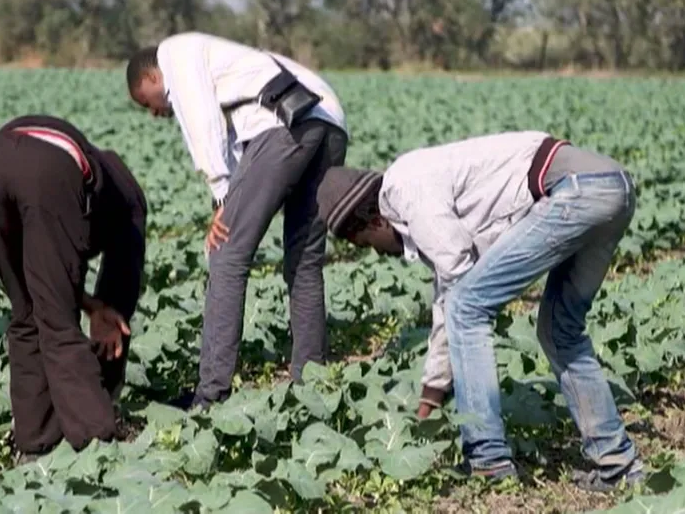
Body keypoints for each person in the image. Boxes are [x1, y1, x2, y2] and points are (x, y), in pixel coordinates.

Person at [315, 131, 645, 491]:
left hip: (574, 191)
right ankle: (618, 466)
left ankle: (487, 459)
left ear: (374, 221)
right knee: (559, 330)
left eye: (366, 244)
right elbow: (452, 288)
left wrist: (433, 390)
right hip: (612, 186)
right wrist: (433, 390)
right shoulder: (418, 191)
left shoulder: (402, 187)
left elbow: (458, 288)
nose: (377, 253)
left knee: (468, 308)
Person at [126, 32, 348, 409]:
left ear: (150, 78)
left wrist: (220, 193)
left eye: (145, 102)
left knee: (226, 254)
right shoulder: (227, 60)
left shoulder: (174, 53)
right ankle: (311, 381)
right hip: (329, 123)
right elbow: (236, 145)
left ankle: (210, 394)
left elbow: (200, 117)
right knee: (305, 259)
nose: (152, 112)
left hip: (283, 125)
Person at [0, 115, 147, 463]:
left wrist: (94, 305)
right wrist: (111, 309)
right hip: (47, 172)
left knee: (27, 310)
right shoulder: (129, 199)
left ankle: (34, 443)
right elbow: (126, 263)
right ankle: (97, 445)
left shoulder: (102, 177)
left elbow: (44, 276)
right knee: (60, 325)